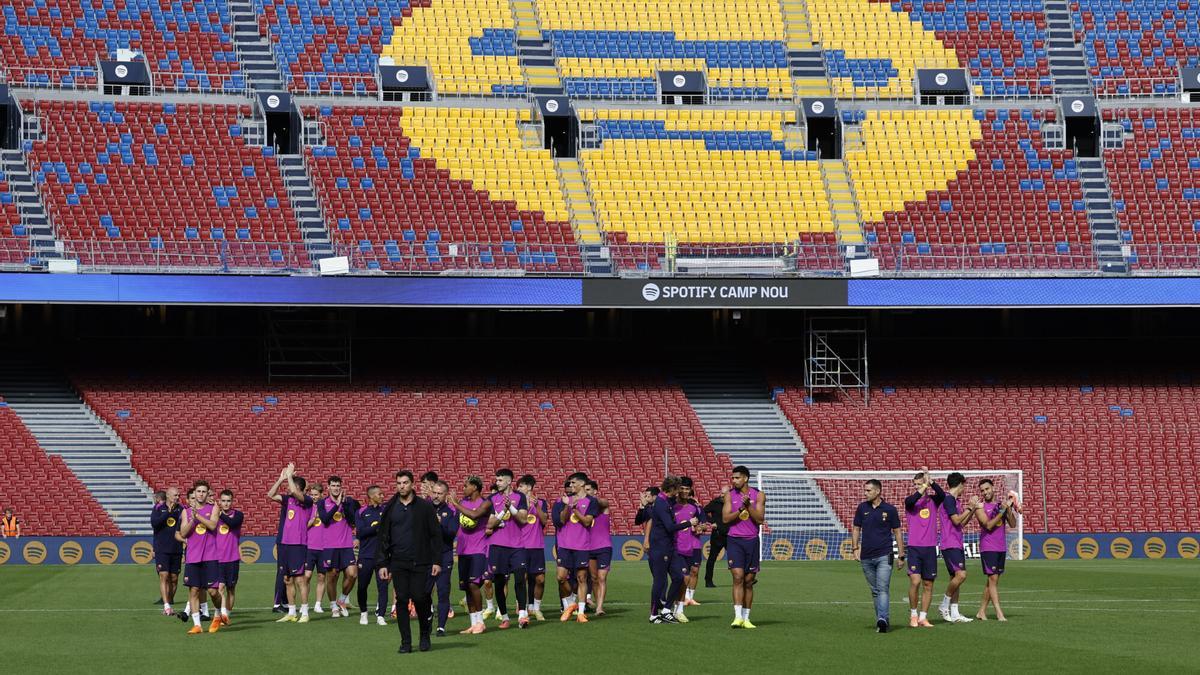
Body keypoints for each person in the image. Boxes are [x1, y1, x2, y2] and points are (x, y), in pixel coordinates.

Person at [377, 470, 443, 654]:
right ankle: (405, 642)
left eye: (405, 483)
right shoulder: (390, 507)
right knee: (401, 600)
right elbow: (383, 536)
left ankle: (424, 634)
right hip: (398, 562)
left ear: (412, 484)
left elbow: (435, 535)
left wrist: (437, 561)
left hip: (420, 561)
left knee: (420, 597)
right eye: (398, 483)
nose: (401, 486)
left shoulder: (424, 507)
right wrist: (382, 563)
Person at [851, 478, 904, 633]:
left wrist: (901, 555)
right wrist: (855, 548)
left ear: (878, 491)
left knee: (882, 588)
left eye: (868, 490)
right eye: (865, 490)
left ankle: (881, 618)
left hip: (884, 555)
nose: (865, 493)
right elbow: (856, 528)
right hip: (866, 557)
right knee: (875, 590)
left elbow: (898, 533)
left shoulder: (890, 510)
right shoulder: (861, 508)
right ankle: (882, 620)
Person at [481, 468, 530, 628]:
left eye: (500, 480)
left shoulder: (520, 497)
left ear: (509, 481)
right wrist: (503, 511)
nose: (497, 482)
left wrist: (512, 508)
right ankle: (505, 617)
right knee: (500, 583)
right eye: (497, 480)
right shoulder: (492, 498)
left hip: (517, 546)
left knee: (520, 579)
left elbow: (523, 519)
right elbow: (489, 524)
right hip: (498, 547)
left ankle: (523, 615)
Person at [644, 476, 697, 623]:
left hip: (669, 547)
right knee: (660, 582)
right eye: (677, 489)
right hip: (660, 548)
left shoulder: (666, 501)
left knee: (679, 578)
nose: (679, 492)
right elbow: (670, 527)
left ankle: (667, 610)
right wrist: (688, 523)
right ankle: (653, 614)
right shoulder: (661, 503)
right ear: (672, 489)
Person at [269, 463, 314, 623]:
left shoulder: (307, 500)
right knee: (287, 579)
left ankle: (305, 612)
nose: (289, 488)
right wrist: (281, 479)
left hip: (298, 544)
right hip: (284, 544)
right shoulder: (288, 500)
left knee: (300, 579)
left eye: (291, 485)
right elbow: (271, 494)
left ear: (299, 487)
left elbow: (295, 492)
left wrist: (289, 475)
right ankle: (291, 612)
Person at [179, 480, 223, 634]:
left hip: (211, 556)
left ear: (208, 493)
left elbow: (212, 525)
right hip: (193, 557)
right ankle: (197, 624)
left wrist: (198, 516)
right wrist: (192, 519)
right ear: (194, 493)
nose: (201, 494)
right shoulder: (185, 512)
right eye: (199, 491)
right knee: (194, 591)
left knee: (212, 591)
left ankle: (217, 614)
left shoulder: (214, 508)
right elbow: (183, 533)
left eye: (204, 492)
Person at [723, 466, 764, 629]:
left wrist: (748, 507)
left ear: (745, 478)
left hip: (752, 541)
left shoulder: (758, 495)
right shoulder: (729, 495)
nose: (734, 481)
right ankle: (737, 616)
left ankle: (747, 618)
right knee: (738, 576)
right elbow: (726, 519)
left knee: (748, 580)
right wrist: (740, 508)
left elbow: (760, 519)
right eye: (733, 478)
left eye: (737, 478)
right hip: (734, 541)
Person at [555, 472, 599, 623]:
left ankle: (580, 613)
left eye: (573, 483)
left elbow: (587, 522)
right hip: (565, 545)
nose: (570, 486)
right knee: (561, 577)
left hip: (582, 545)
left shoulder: (591, 501)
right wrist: (568, 506)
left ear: (581, 484)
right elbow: (561, 520)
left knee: (582, 578)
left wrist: (575, 509)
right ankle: (570, 604)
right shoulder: (564, 500)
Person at [448, 475, 489, 635]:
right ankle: (473, 623)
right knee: (466, 588)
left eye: (466, 486)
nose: (463, 488)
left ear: (475, 488)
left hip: (479, 550)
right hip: (463, 550)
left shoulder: (485, 503)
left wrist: (456, 504)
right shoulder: (463, 502)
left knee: (473, 584)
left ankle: (481, 621)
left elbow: (474, 515)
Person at [904, 466, 943, 628]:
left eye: (919, 484)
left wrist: (930, 481)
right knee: (915, 581)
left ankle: (923, 617)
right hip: (914, 547)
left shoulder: (933, 501)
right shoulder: (910, 502)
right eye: (915, 484)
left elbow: (941, 494)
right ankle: (913, 615)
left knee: (928, 584)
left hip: (929, 548)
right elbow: (912, 500)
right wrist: (924, 487)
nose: (917, 487)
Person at [318, 476, 360, 618]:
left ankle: (341, 600)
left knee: (353, 573)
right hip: (329, 546)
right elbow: (325, 519)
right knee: (332, 576)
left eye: (338, 485)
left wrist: (344, 505)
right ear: (328, 487)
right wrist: (336, 504)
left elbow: (353, 520)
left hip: (346, 545)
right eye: (333, 485)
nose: (336, 488)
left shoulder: (348, 502)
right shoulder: (322, 503)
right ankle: (333, 605)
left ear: (341, 487)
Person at [937, 472, 977, 623]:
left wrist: (971, 510)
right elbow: (955, 520)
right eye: (964, 486)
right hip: (950, 543)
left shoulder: (955, 501)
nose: (964, 489)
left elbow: (961, 523)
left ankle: (955, 613)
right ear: (960, 484)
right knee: (961, 575)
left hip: (956, 542)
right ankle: (944, 604)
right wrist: (970, 507)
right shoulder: (948, 500)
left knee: (956, 578)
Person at [976, 478, 1017, 622]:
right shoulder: (980, 507)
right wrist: (1002, 510)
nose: (985, 492)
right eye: (982, 490)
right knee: (993, 579)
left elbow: (1012, 524)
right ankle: (999, 613)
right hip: (988, 547)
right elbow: (988, 525)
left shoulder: (1001, 505)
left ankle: (981, 611)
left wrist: (1009, 508)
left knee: (992, 580)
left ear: (993, 488)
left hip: (1001, 547)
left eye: (987, 489)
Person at [671, 477, 705, 622]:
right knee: (682, 578)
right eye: (682, 488)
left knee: (690, 575)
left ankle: (678, 607)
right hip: (675, 547)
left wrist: (699, 528)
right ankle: (675, 608)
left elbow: (703, 524)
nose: (685, 491)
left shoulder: (695, 507)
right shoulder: (671, 506)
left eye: (687, 488)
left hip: (692, 546)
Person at [356, 485, 390, 626]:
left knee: (383, 587)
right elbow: (361, 532)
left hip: (383, 556)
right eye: (380, 494)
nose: (382, 496)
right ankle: (363, 612)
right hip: (366, 555)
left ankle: (380, 615)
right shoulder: (361, 512)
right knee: (362, 586)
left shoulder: (386, 511)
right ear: (371, 496)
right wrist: (378, 527)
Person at [516, 474, 548, 621]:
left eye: (521, 486)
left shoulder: (541, 502)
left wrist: (536, 506)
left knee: (540, 579)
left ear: (529, 487)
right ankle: (522, 606)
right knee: (523, 578)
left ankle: (536, 608)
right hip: (520, 546)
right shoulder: (516, 504)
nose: (518, 489)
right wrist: (526, 507)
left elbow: (544, 521)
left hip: (536, 546)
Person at [430, 480, 459, 636]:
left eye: (440, 493)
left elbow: (451, 534)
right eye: (434, 492)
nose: (436, 495)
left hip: (444, 556)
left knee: (442, 591)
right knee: (423, 592)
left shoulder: (453, 511)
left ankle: (441, 627)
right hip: (425, 556)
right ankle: (426, 622)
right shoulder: (424, 509)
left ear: (446, 495)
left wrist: (439, 525)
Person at [151, 487, 183, 616]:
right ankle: (166, 606)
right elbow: (155, 523)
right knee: (164, 575)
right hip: (162, 548)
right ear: (168, 496)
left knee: (174, 578)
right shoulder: (159, 508)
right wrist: (167, 513)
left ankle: (169, 601)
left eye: (178, 495)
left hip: (176, 548)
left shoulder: (181, 509)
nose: (177, 497)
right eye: (175, 495)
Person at [213, 489, 243, 625]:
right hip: (218, 558)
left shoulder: (238, 515)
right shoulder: (215, 516)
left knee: (231, 589)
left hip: (232, 558)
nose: (226, 503)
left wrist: (219, 513)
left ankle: (227, 615)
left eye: (228, 501)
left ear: (232, 501)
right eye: (223, 501)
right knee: (220, 588)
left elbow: (231, 524)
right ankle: (221, 614)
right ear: (220, 501)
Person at [584, 479, 613, 616]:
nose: (586, 492)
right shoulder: (584, 508)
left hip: (603, 546)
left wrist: (585, 497)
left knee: (602, 577)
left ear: (595, 491)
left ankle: (600, 607)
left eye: (589, 489)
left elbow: (603, 503)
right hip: (589, 547)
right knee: (594, 578)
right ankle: (596, 603)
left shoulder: (603, 505)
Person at [303, 482, 329, 614]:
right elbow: (302, 527)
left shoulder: (326, 507)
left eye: (316, 495)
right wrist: (310, 522)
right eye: (311, 494)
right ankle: (305, 604)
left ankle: (318, 604)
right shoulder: (307, 507)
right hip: (309, 547)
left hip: (323, 548)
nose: (313, 497)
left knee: (321, 577)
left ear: (321, 495)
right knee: (306, 576)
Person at [702, 490, 728, 588]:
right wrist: (712, 521)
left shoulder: (731, 503)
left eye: (724, 493)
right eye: (721, 493)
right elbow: (703, 512)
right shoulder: (714, 503)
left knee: (736, 558)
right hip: (717, 535)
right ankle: (708, 581)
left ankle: (743, 579)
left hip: (730, 535)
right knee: (712, 558)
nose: (722, 495)